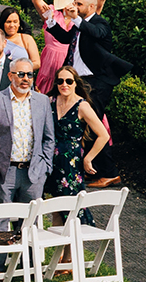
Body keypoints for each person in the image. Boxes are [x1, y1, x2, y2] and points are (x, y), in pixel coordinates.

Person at [0, 58, 56, 214]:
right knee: (1, 221)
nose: (26, 79)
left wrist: (45, 167)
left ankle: (26, 238)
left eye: (30, 75)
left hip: (34, 172)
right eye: (21, 74)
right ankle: (1, 238)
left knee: (29, 224)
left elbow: (49, 137)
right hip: (4, 171)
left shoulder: (42, 101)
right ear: (10, 76)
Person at [45, 70, 111, 199]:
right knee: (54, 207)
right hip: (49, 160)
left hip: (71, 162)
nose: (64, 84)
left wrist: (88, 158)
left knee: (71, 205)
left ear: (75, 83)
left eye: (69, 81)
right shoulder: (50, 101)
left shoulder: (82, 106)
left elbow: (103, 135)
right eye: (60, 81)